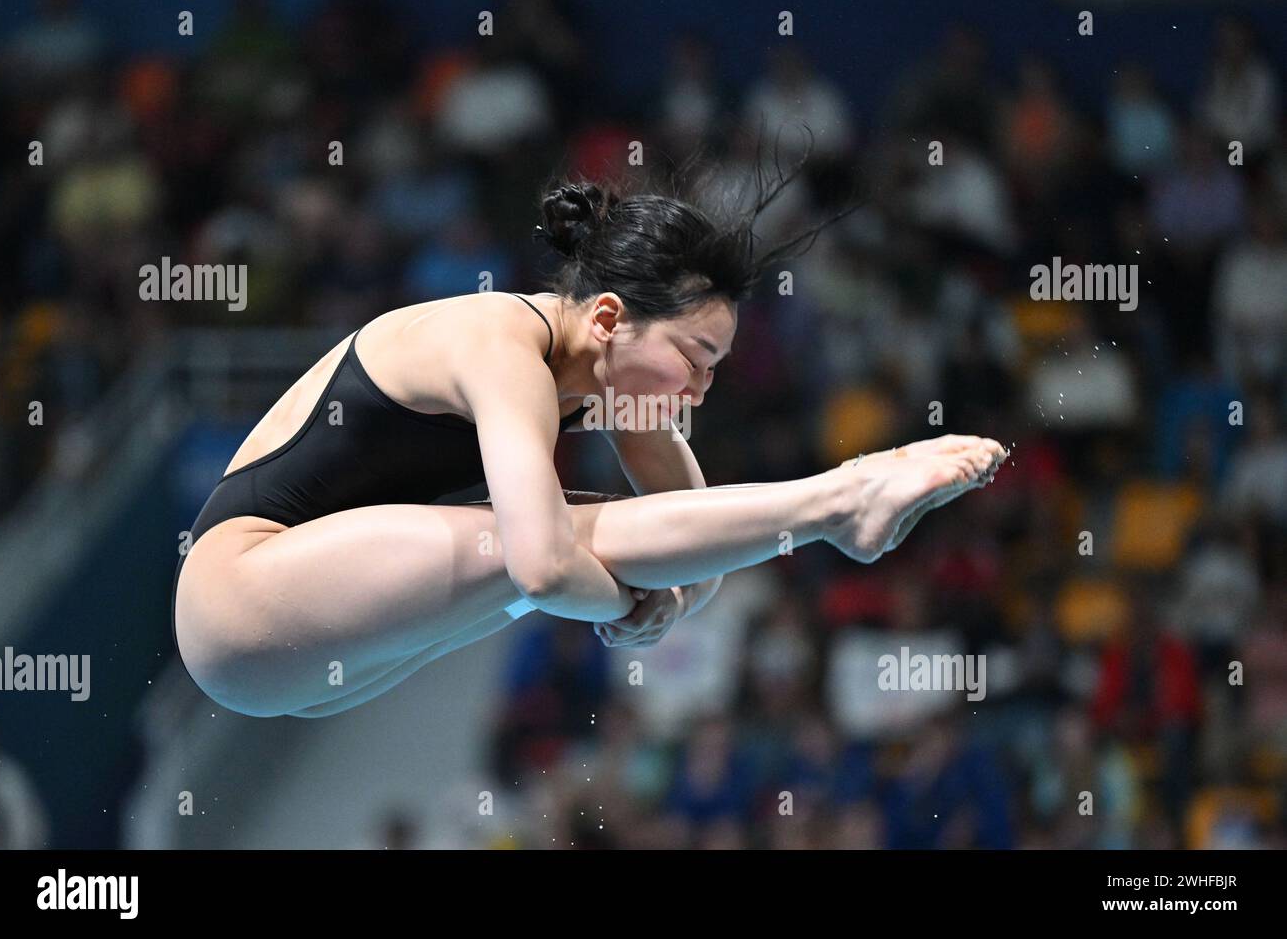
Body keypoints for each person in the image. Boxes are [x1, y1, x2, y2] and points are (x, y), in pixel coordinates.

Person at [171, 147, 1008, 719]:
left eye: (715, 366)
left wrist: (664, 601)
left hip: (327, 660)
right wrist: (628, 601)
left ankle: (839, 502)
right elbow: (543, 563)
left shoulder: (604, 378)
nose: (702, 386)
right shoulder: (497, 346)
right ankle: (843, 495)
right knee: (552, 536)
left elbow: (696, 545)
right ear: (609, 317)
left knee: (579, 525)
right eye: (693, 355)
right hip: (240, 602)